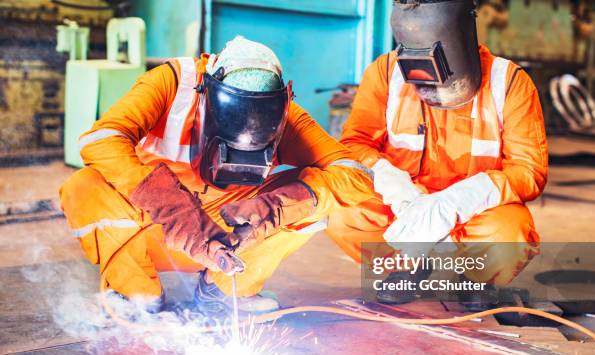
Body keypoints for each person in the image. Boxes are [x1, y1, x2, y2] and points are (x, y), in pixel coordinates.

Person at [60, 36, 373, 313]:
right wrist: (174, 208)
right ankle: (136, 293)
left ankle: (223, 290)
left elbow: (356, 177)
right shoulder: (173, 84)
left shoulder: (289, 117)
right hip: (157, 225)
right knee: (84, 187)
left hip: (231, 240)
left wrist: (275, 207)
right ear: (205, 96)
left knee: (317, 199)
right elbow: (99, 141)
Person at [327, 0, 548, 304]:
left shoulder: (508, 82)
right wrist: (393, 185)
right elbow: (355, 143)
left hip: (472, 213)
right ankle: (408, 266)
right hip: (404, 210)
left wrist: (457, 201)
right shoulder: (384, 72)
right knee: (343, 215)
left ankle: (474, 278)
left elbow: (529, 170)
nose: (426, 88)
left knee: (510, 234)